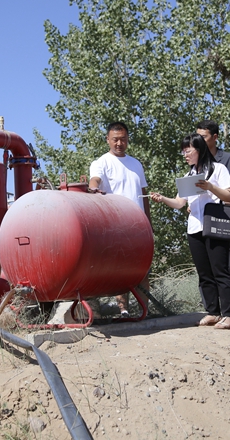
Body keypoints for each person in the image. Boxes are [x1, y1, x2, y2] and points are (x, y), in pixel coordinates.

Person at [150, 134, 230, 329]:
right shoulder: (189, 176)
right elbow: (179, 203)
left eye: (188, 150)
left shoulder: (218, 169)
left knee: (220, 270)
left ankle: (229, 315)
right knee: (204, 273)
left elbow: (229, 196)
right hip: (195, 228)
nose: (185, 155)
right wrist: (162, 199)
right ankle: (213, 312)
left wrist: (210, 187)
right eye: (183, 151)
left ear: (200, 149)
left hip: (215, 225)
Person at [89, 121, 151, 317]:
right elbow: (95, 180)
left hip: (139, 226)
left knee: (142, 270)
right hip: (116, 226)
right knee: (121, 269)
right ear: (108, 139)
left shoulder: (136, 164)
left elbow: (143, 194)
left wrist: (149, 224)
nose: (119, 143)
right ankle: (123, 310)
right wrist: (93, 188)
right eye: (115, 139)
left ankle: (144, 311)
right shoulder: (101, 162)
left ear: (127, 140)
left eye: (123, 139)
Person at [196, 120, 230, 320]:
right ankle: (213, 309)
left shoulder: (229, 159)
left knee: (229, 266)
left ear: (215, 137)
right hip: (204, 220)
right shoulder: (196, 162)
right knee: (208, 269)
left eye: (204, 136)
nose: (200, 140)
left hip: (226, 218)